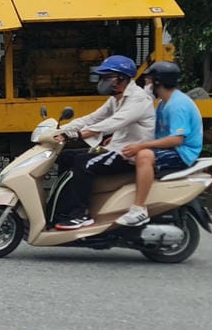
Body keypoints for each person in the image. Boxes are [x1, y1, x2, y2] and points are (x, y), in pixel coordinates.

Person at [51, 54, 156, 230]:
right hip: (115, 148)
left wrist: (77, 135)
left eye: (108, 77)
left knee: (84, 164)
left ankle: (80, 215)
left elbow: (112, 123)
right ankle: (62, 208)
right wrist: (60, 129)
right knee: (66, 157)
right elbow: (92, 118)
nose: (103, 81)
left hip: (128, 153)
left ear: (122, 78)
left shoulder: (138, 99)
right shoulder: (116, 99)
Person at [113, 61, 204, 227]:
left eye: (148, 80)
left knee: (144, 156)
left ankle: (139, 209)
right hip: (171, 148)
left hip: (182, 152)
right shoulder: (164, 103)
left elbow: (176, 139)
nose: (146, 84)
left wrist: (141, 146)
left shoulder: (178, 105)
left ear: (157, 81)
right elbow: (152, 132)